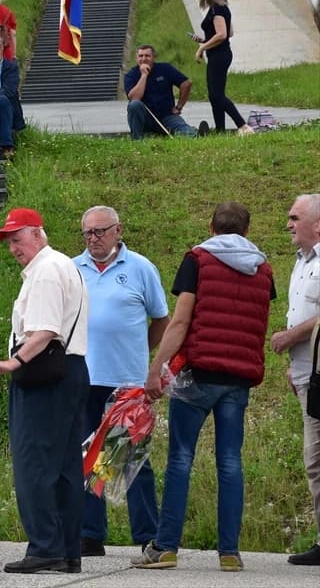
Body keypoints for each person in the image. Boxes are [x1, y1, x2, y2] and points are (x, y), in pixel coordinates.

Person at [134, 202, 274, 572]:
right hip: (238, 378)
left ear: (211, 225)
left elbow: (179, 323)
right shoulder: (263, 268)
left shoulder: (198, 260)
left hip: (198, 375)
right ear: (246, 229)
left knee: (181, 458)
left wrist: (156, 369)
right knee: (230, 461)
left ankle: (165, 547)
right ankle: (229, 552)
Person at [0, 208, 89, 574]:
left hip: (45, 375)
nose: (13, 247)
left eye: (17, 238)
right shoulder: (62, 265)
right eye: (8, 241)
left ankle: (45, 547)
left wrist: (13, 363)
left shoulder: (45, 271)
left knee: (34, 463)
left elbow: (43, 331)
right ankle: (67, 549)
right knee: (66, 465)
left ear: (38, 233)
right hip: (70, 371)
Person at [74, 206, 168, 556]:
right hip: (85, 379)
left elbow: (161, 318)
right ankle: (90, 533)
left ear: (118, 230)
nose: (94, 239)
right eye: (88, 233)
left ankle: (147, 533)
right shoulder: (72, 269)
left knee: (132, 460)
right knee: (88, 457)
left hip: (127, 382)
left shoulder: (141, 268)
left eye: (100, 231)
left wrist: (141, 351)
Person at [273, 194, 320, 566]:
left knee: (317, 460)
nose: (288, 223)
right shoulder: (302, 261)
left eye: (294, 217)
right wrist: (295, 365)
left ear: (317, 224)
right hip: (307, 376)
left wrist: (291, 338)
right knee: (315, 462)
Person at [194, 0, 252, 136]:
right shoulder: (223, 8)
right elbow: (229, 33)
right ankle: (220, 131)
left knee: (216, 95)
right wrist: (205, 40)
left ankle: (243, 126)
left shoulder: (216, 11)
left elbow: (222, 34)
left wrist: (201, 48)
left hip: (219, 55)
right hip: (220, 54)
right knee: (214, 95)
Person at [124, 44, 198, 140]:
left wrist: (179, 107)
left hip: (166, 115)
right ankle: (137, 139)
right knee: (134, 105)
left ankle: (195, 134)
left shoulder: (165, 69)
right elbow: (134, 98)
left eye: (147, 56)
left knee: (182, 128)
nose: (144, 59)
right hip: (146, 118)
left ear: (154, 57)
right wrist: (144, 76)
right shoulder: (131, 75)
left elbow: (186, 83)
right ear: (136, 58)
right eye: (140, 56)